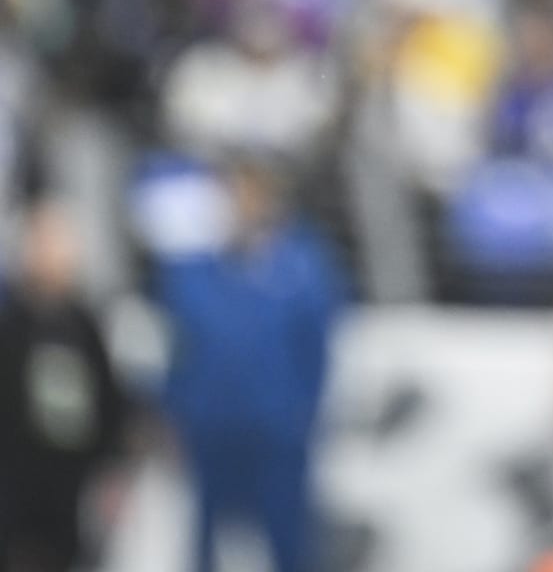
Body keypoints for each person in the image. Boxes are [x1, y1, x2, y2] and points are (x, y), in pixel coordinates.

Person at [157, 149, 346, 572]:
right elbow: (176, 349)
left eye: (250, 193)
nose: (240, 204)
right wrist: (175, 410)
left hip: (277, 435)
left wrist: (300, 417)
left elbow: (317, 351)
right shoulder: (191, 271)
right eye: (231, 193)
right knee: (207, 544)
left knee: (289, 545)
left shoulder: (303, 268)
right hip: (211, 431)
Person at [0, 196, 128, 572]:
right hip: (18, 486)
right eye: (44, 242)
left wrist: (113, 463)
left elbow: (109, 399)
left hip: (71, 486)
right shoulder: (12, 327)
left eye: (61, 243)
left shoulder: (86, 326)